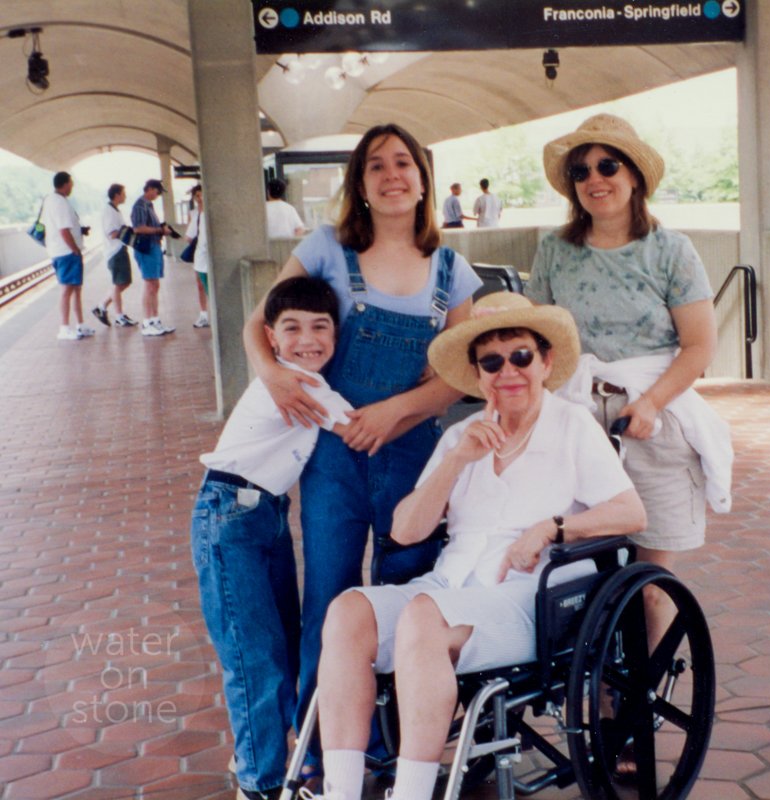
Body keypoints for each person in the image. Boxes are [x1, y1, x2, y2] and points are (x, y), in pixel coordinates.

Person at [313, 292, 646, 800]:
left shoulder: (571, 424)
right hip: (450, 586)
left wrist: (552, 528)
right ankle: (339, 791)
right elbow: (406, 531)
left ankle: (412, 792)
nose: (507, 370)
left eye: (520, 356)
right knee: (347, 612)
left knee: (424, 617)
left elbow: (631, 513)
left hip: (534, 595)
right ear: (477, 373)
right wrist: (456, 461)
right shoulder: (463, 434)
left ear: (546, 361)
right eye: (491, 361)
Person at [242, 122, 482, 784]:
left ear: (423, 178)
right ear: (360, 184)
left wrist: (396, 412)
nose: (391, 174)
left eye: (403, 162)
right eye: (375, 165)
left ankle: (406, 743)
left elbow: (459, 376)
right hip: (333, 460)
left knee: (410, 598)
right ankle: (324, 751)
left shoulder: (451, 269)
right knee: (330, 595)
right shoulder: (325, 248)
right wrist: (273, 373)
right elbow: (256, 323)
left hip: (414, 458)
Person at [527, 113, 733, 651]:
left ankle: (639, 695)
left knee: (647, 582)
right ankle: (596, 687)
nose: (595, 178)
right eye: (581, 170)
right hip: (575, 419)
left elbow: (699, 346)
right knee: (580, 572)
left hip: (651, 420)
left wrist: (649, 404)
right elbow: (539, 337)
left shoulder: (671, 250)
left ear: (635, 174)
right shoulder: (554, 250)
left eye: (608, 165)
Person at [192, 276, 353, 800]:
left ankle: (270, 762)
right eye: (292, 328)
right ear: (271, 336)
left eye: (320, 327)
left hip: (263, 514)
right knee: (254, 657)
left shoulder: (300, 378)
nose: (307, 339)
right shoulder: (296, 382)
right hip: (229, 518)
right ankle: (258, 784)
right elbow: (359, 429)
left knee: (277, 649)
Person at [42, 171, 94, 340]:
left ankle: (80, 325)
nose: (72, 186)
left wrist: (80, 231)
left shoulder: (51, 200)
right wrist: (75, 249)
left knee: (76, 288)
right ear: (64, 184)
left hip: (61, 251)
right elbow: (63, 230)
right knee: (67, 289)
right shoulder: (59, 203)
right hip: (66, 252)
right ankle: (64, 328)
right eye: (71, 183)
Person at [130, 178, 176, 337]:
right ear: (149, 188)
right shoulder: (140, 205)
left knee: (154, 285)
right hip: (146, 249)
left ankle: (155, 320)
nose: (157, 195)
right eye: (157, 191)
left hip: (154, 247)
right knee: (150, 285)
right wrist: (159, 230)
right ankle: (147, 322)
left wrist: (160, 229)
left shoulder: (149, 205)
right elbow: (138, 228)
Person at [93, 183, 137, 328]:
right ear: (117, 194)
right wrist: (129, 232)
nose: (125, 196)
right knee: (118, 283)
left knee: (124, 282)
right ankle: (119, 315)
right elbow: (112, 233)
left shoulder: (115, 210)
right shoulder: (109, 212)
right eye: (123, 193)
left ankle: (101, 306)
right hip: (115, 251)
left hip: (120, 249)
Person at [184, 185, 210, 328]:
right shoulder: (194, 213)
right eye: (197, 196)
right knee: (201, 285)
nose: (199, 199)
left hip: (205, 255)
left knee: (207, 286)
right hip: (200, 255)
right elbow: (189, 235)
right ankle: (204, 314)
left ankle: (208, 314)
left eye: (201, 195)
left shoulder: (207, 213)